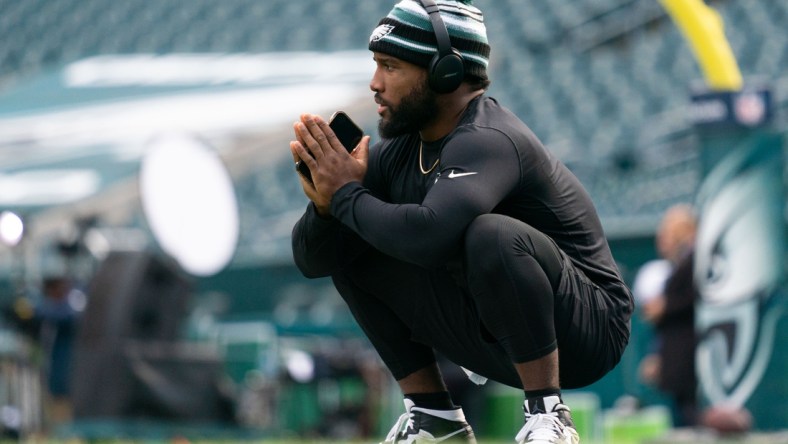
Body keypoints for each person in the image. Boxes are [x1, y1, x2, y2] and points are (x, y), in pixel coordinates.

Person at [290, 1, 633, 442]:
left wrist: (345, 195)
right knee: (352, 234)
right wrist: (325, 207)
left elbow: (429, 236)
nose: (374, 84)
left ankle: (548, 414)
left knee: (491, 235)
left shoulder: (488, 138)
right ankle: (434, 417)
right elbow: (311, 260)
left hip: (585, 333)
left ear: (445, 72)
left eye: (390, 66)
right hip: (491, 330)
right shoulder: (401, 150)